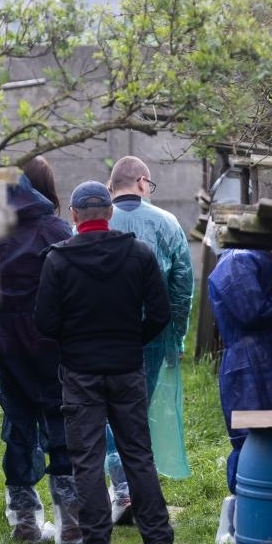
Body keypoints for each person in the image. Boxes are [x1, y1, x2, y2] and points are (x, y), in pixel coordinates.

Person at [34, 180, 175, 544]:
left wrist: (73, 342)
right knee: (138, 456)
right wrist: (133, 339)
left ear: (74, 216)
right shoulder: (140, 255)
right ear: (111, 213)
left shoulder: (58, 261)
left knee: (88, 460)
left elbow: (44, 321)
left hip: (80, 373)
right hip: (127, 369)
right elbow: (161, 314)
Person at [0, 157, 82, 544]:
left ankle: (24, 520)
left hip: (4, 336)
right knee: (61, 416)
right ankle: (71, 521)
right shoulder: (56, 229)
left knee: (18, 418)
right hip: (50, 336)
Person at [104, 156, 195, 522]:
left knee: (106, 412)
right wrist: (177, 335)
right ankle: (138, 489)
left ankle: (121, 490)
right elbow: (183, 287)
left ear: (113, 187)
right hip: (153, 337)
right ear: (142, 182)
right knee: (137, 410)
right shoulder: (167, 223)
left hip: (100, 337)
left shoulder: (96, 221)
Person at [208, 248, 272, 498]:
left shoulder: (240, 259)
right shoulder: (241, 261)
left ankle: (251, 500)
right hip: (252, 361)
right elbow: (251, 311)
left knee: (261, 431)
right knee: (253, 434)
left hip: (256, 356)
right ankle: (246, 501)